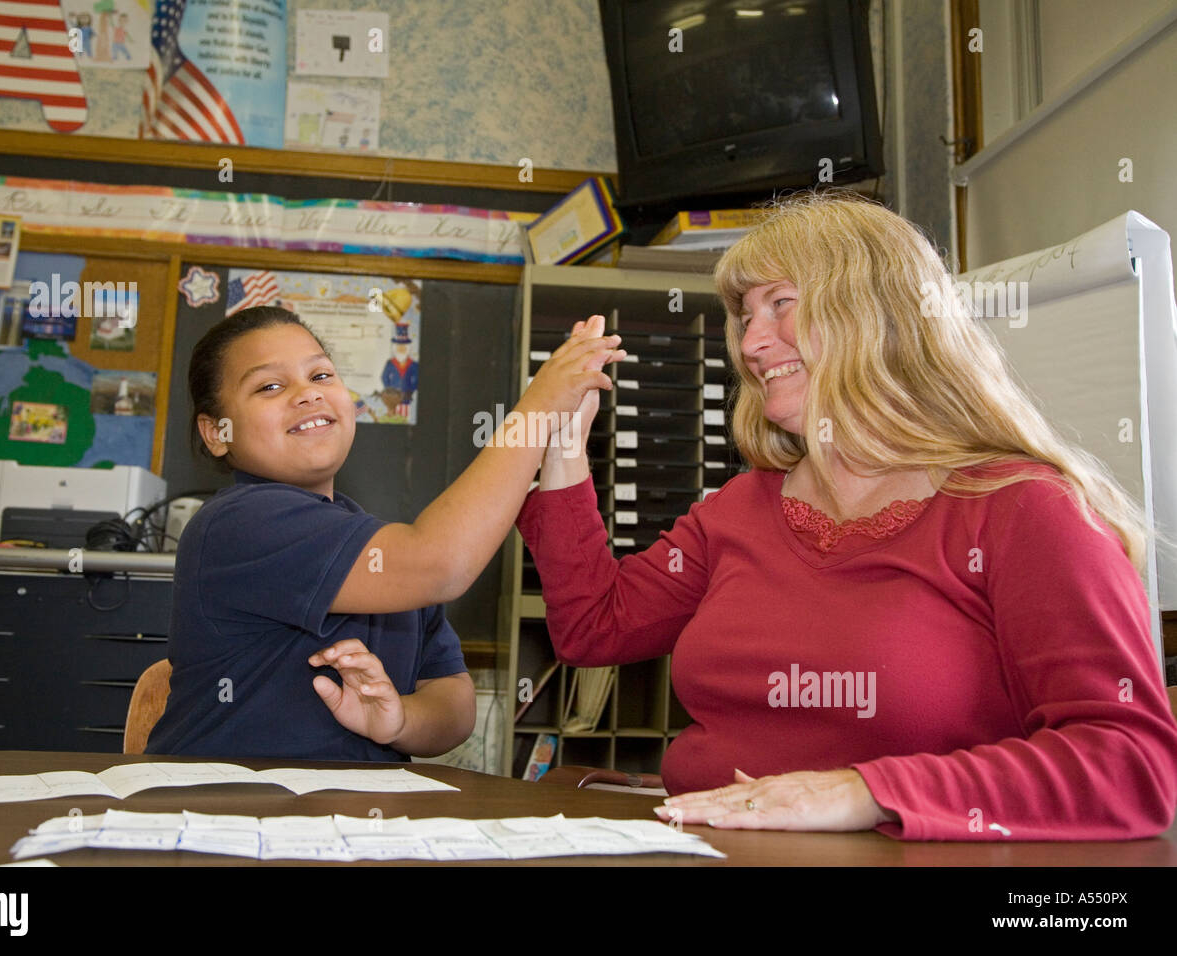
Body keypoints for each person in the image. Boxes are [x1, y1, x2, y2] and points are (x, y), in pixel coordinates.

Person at [516, 193, 1177, 840]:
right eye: (745, 317)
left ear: (878, 315)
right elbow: (593, 630)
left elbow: (1129, 764)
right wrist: (566, 446)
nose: (752, 343)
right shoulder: (740, 509)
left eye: (780, 306)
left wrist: (868, 791)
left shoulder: (1024, 509)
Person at [147, 306, 623, 761]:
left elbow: (455, 704)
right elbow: (442, 563)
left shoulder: (376, 546)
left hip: (348, 820)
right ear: (216, 432)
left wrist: (398, 721)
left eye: (320, 375)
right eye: (270, 386)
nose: (308, 393)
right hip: (226, 814)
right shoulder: (237, 523)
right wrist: (539, 406)